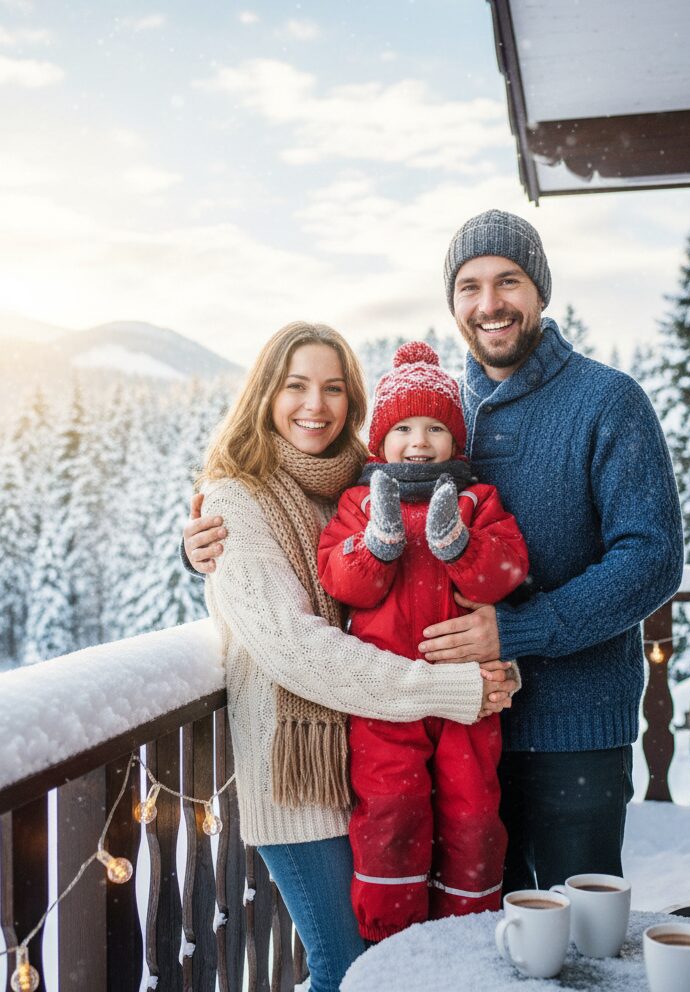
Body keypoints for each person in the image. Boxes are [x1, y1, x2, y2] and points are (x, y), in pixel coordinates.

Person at [184, 210, 685, 895]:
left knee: (579, 938)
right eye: (469, 287)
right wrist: (205, 542)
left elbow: (652, 558)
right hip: (454, 736)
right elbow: (325, 507)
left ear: (539, 290)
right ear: (452, 304)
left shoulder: (607, 401)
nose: (489, 304)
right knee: (474, 941)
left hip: (572, 732)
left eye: (507, 282)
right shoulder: (448, 411)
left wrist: (516, 629)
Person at [197, 321, 517, 992]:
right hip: (297, 778)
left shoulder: (349, 486)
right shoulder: (235, 499)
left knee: (393, 962)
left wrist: (495, 653)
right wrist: (448, 689)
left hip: (365, 756)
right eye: (296, 386)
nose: (316, 405)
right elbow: (296, 648)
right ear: (264, 394)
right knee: (349, 971)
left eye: (334, 388)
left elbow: (402, 604)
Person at [316, 340, 529, 940]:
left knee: (473, 811)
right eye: (403, 427)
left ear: (455, 440)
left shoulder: (474, 500)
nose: (419, 440)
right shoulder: (359, 504)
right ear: (378, 442)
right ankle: (392, 937)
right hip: (387, 703)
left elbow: (508, 569)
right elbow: (342, 580)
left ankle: (466, 927)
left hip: (467, 698)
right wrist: (378, 543)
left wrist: (460, 545)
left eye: (435, 426)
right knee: (391, 811)